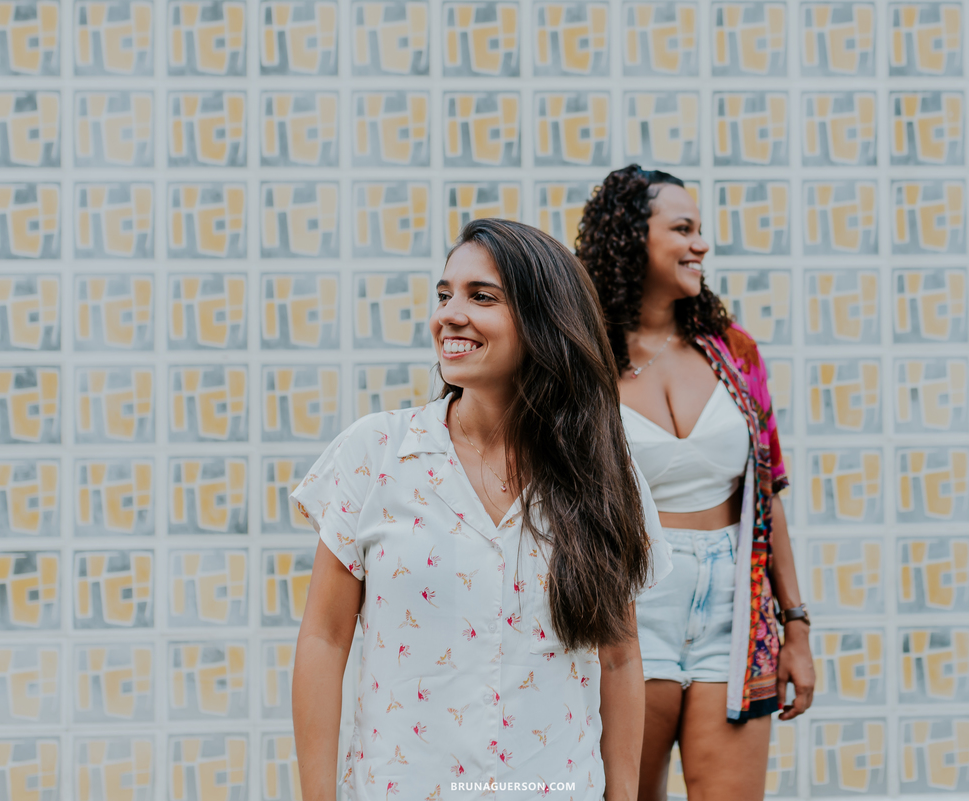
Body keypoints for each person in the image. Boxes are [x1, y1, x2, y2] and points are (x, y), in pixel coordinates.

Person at [291, 218, 672, 800]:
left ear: (546, 321)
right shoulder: (377, 452)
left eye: (482, 297)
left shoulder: (601, 470)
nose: (449, 314)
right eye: (444, 295)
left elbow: (619, 658)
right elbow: (324, 638)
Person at [576, 166, 816, 801]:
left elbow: (767, 496)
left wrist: (795, 627)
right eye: (683, 229)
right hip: (631, 604)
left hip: (735, 609)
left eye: (700, 230)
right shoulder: (584, 361)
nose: (701, 245)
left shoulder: (735, 352)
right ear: (632, 239)